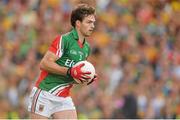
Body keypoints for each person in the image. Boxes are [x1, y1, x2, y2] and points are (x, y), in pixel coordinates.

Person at [28, 4, 97, 119]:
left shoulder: (86, 48)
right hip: (45, 93)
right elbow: (44, 64)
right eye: (89, 22)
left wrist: (86, 76)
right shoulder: (64, 40)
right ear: (78, 23)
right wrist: (70, 71)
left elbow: (74, 75)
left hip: (63, 98)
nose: (93, 26)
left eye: (93, 22)